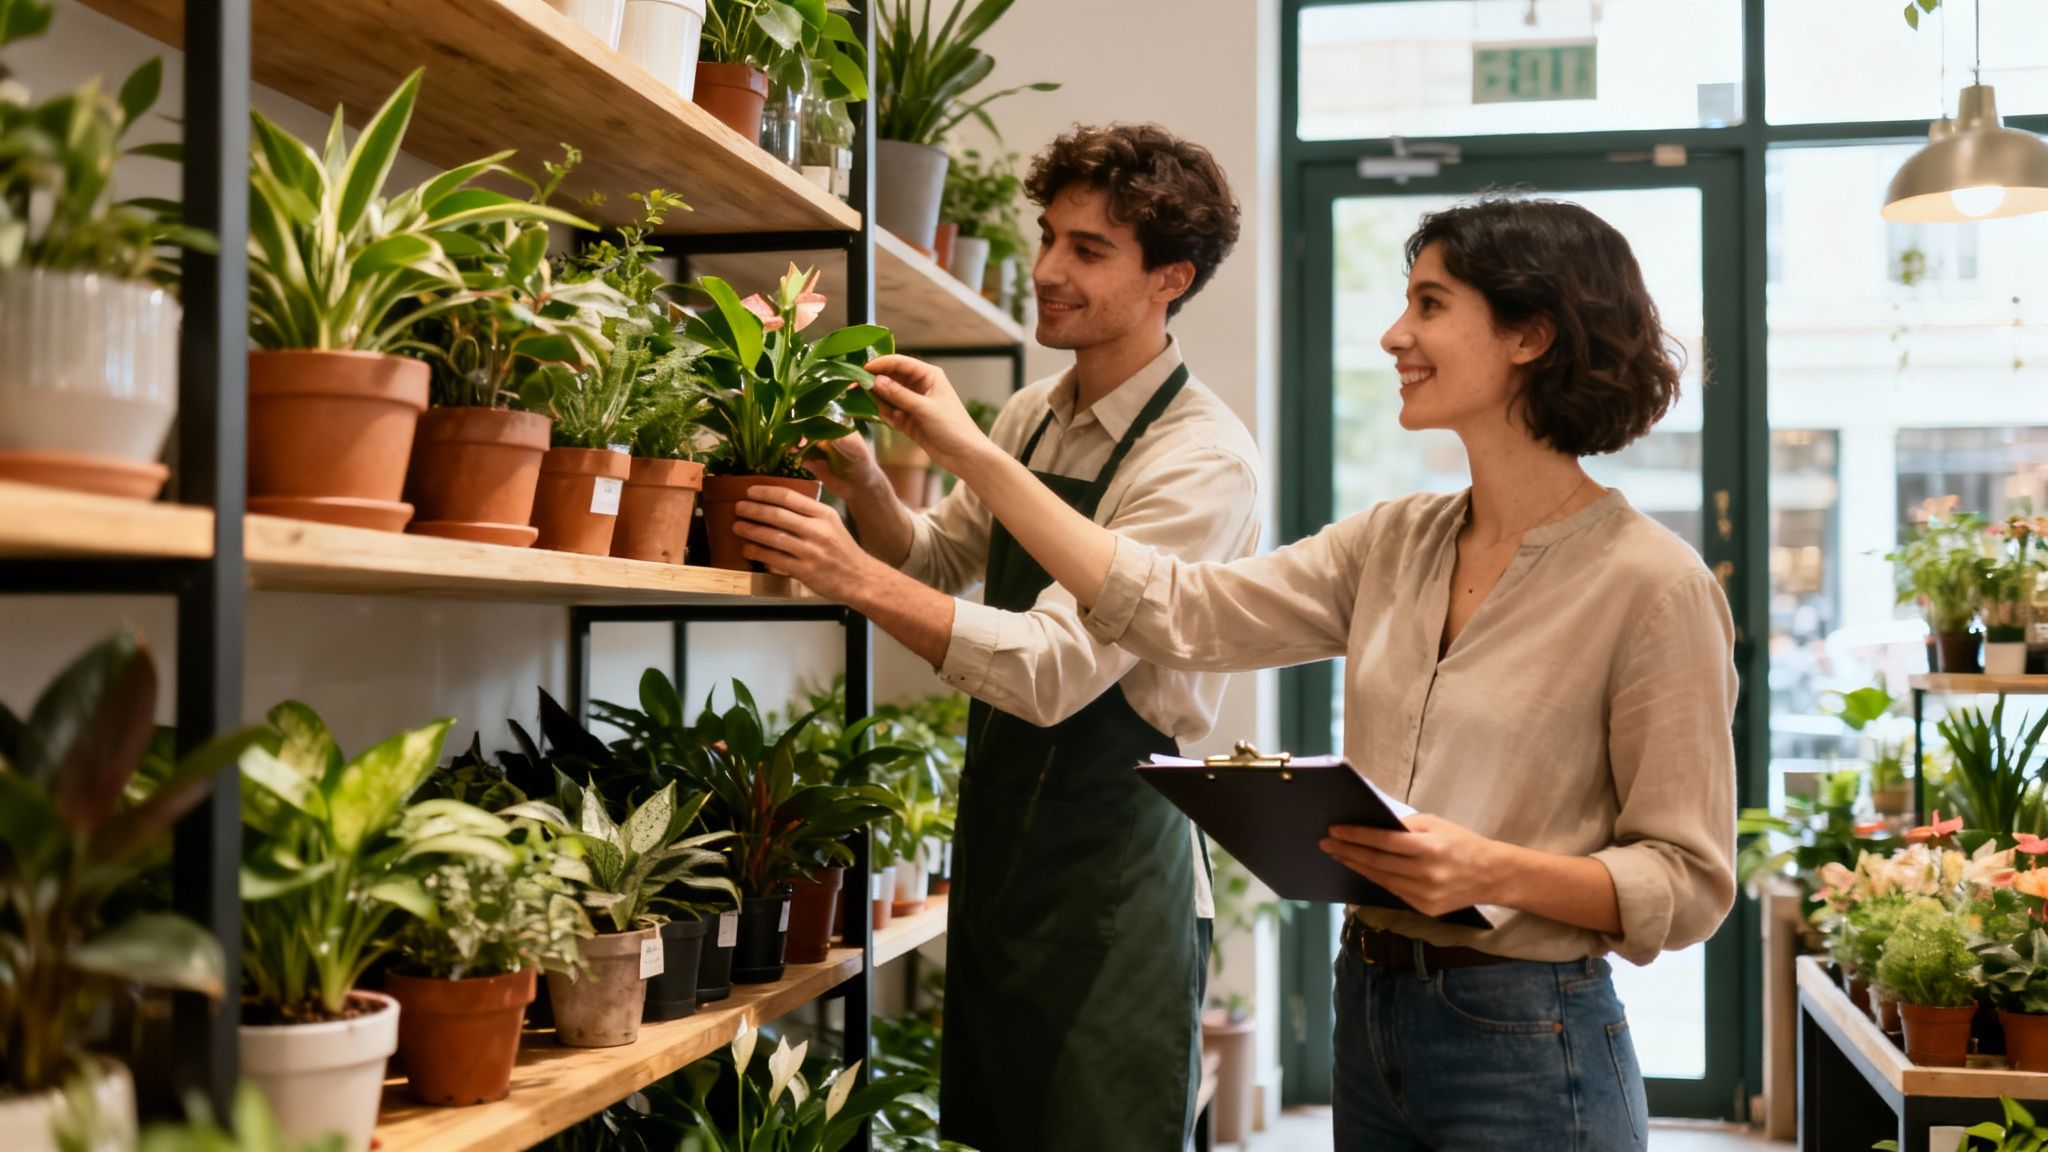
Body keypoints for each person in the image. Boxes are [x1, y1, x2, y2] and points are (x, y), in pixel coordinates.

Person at [743, 196, 1738, 1150]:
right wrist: (969, 460)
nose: (1394, 335)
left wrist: (1489, 869)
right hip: (1372, 1001)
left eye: (1428, 305)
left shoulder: (1651, 585)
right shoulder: (1395, 541)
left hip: (1533, 1032)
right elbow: (1180, 610)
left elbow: (1686, 881)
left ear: (1530, 336)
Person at [731, 123, 1262, 1151]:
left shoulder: (1202, 463)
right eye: (1049, 236)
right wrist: (870, 485)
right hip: (1006, 857)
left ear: (1171, 279)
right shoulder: (1031, 415)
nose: (1047, 270)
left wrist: (847, 575)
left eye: (1089, 250)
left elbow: (1056, 672)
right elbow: (934, 561)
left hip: (1113, 880)